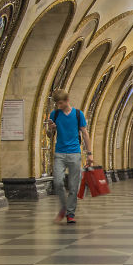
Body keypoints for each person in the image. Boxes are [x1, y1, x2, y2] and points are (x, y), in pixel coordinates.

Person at [45, 89, 92, 224]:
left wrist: (89, 154)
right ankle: (63, 207)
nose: (58, 106)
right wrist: (51, 128)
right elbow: (49, 135)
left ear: (67, 101)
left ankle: (70, 213)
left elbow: (85, 134)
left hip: (74, 153)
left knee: (73, 186)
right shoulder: (54, 114)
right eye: (57, 104)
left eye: (60, 103)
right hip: (59, 153)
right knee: (58, 182)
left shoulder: (78, 114)